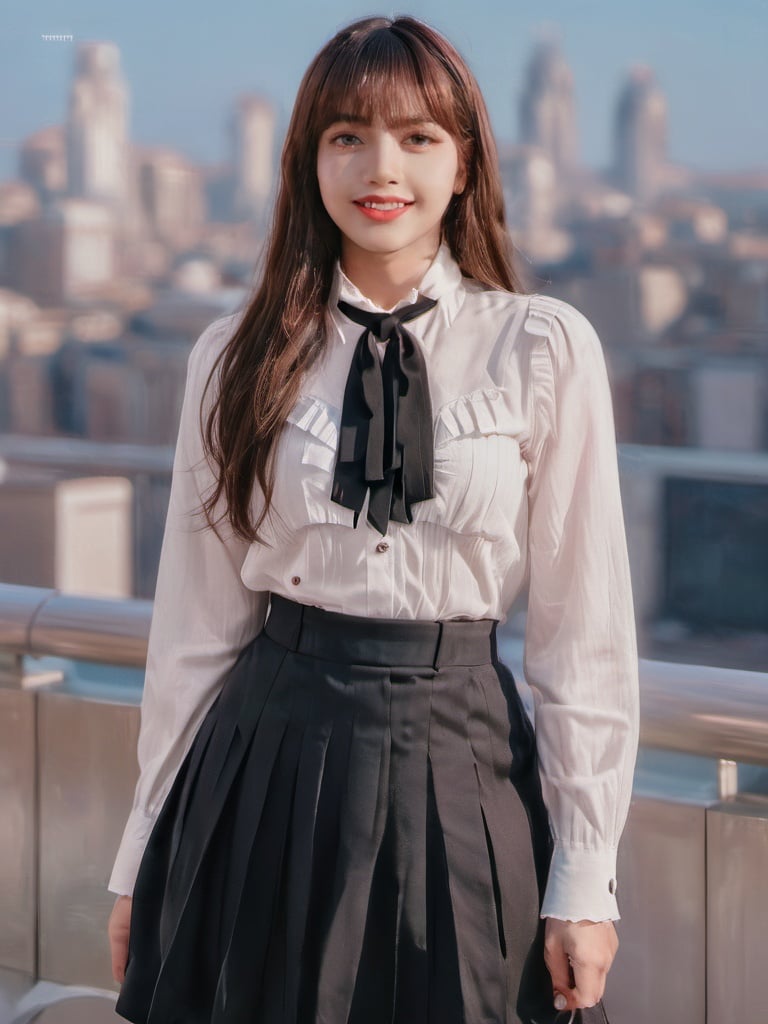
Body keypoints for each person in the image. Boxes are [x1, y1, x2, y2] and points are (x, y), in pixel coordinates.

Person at [106, 14, 639, 1024]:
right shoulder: (233, 353)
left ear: (465, 160)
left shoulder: (540, 347)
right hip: (265, 765)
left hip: (466, 755)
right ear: (306, 159)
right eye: (346, 135)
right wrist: (140, 853)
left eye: (416, 137)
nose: (379, 166)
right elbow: (193, 634)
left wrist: (586, 879)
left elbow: (585, 640)